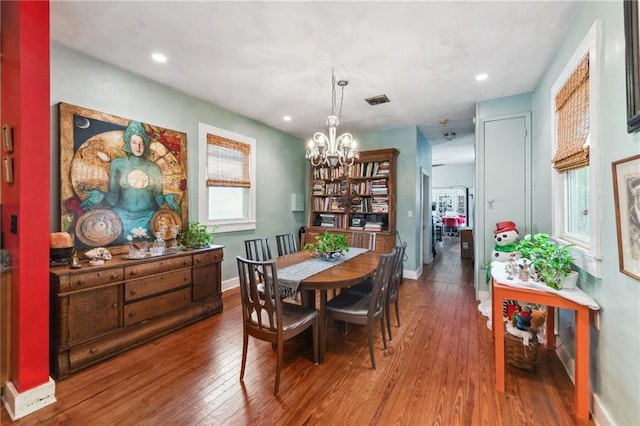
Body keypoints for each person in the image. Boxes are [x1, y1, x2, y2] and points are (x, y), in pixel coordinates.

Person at [81, 120, 179, 244]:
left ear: (146, 144)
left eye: (141, 143)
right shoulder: (118, 164)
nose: (138, 147)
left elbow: (158, 199)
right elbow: (113, 198)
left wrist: (167, 197)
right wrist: (101, 194)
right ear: (128, 143)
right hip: (122, 218)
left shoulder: (154, 168)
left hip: (149, 217)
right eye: (134, 142)